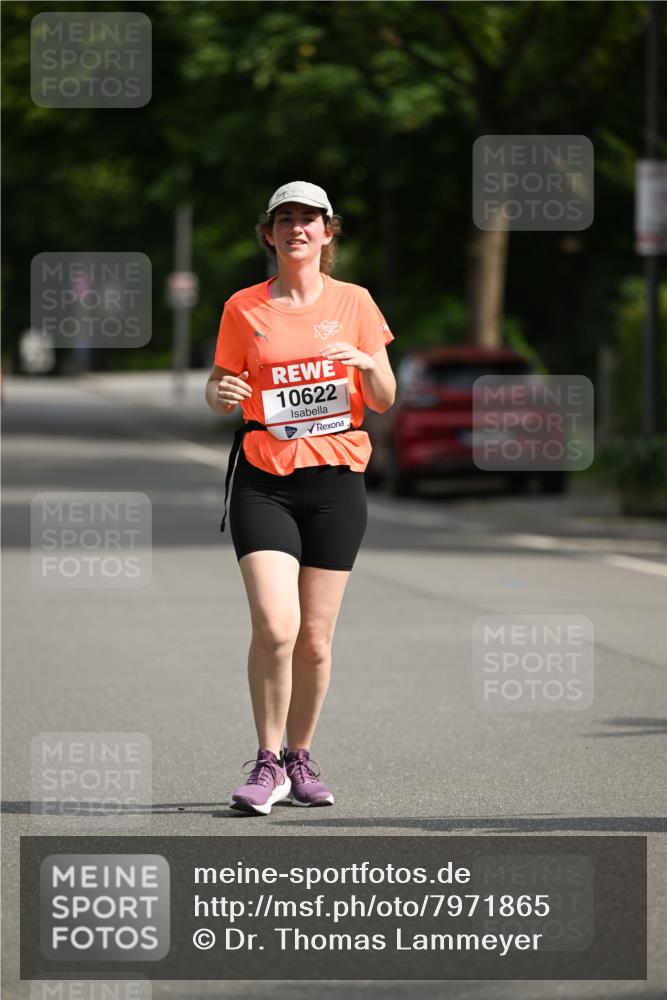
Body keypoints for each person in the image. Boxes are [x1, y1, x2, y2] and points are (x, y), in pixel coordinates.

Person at [205, 181, 396, 815]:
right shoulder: (244, 308)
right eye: (284, 219)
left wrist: (365, 363)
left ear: (328, 232)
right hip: (266, 478)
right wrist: (221, 396)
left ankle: (299, 755)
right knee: (275, 625)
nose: (297, 229)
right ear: (269, 233)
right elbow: (220, 383)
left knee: (314, 638)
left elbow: (386, 396)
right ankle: (265, 763)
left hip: (337, 481)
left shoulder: (356, 302)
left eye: (309, 219)